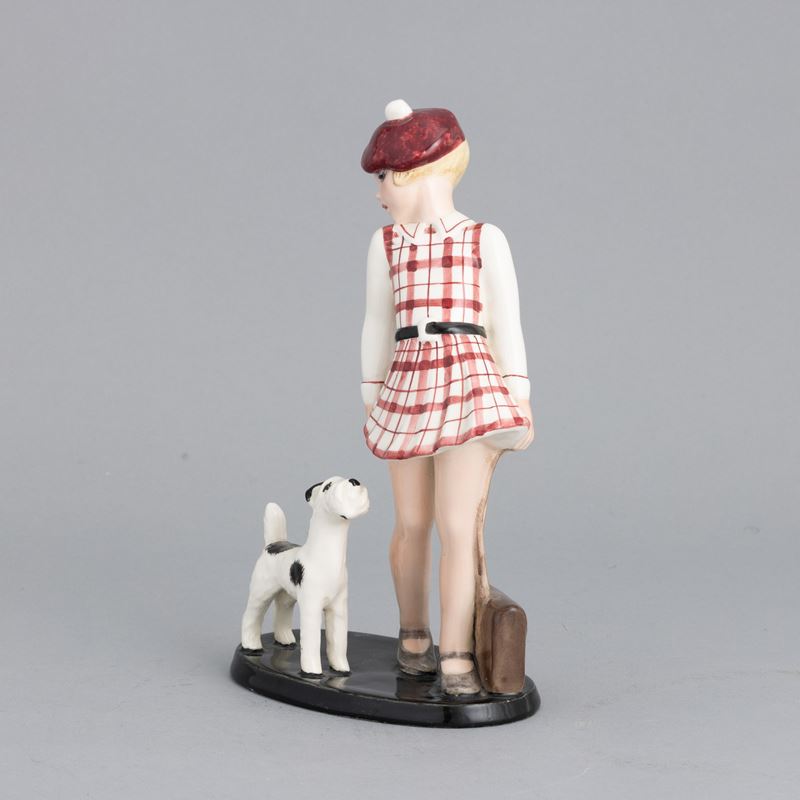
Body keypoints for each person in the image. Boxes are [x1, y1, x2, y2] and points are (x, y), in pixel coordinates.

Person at [360, 100, 534, 695]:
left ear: (417, 170)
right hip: (408, 378)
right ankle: (413, 633)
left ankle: (457, 653)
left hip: (469, 379)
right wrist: (370, 389)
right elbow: (376, 323)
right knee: (412, 522)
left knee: (458, 525)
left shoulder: (485, 238)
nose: (379, 192)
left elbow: (505, 322)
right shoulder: (386, 245)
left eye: (385, 176)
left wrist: (519, 392)